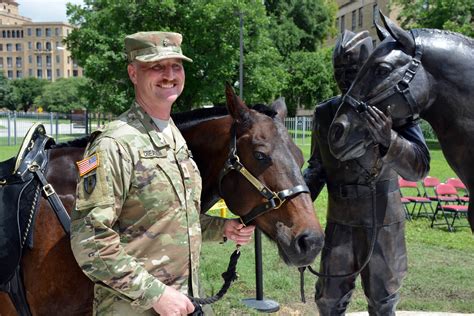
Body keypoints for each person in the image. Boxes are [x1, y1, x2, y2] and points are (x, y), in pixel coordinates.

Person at [70, 31, 255, 316]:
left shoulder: (174, 136)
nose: (169, 74)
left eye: (176, 66)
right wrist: (155, 294)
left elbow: (170, 216)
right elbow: (89, 242)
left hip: (181, 303)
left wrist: (222, 228)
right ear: (133, 73)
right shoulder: (113, 144)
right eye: (156, 66)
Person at [303, 30, 430, 315]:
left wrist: (390, 140)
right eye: (340, 71)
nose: (346, 78)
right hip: (341, 222)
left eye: (353, 70)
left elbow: (419, 167)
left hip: (383, 223)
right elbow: (317, 168)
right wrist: (296, 200)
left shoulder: (394, 106)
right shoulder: (326, 113)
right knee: (328, 299)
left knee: (383, 299)